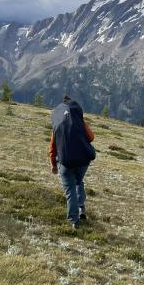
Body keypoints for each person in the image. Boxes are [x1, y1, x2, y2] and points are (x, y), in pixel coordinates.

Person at [49, 95, 96, 229]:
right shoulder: (79, 121)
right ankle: (81, 208)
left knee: (70, 190)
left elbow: (52, 147)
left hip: (66, 162)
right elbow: (91, 137)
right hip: (83, 161)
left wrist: (53, 165)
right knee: (78, 182)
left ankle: (74, 220)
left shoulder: (58, 124)